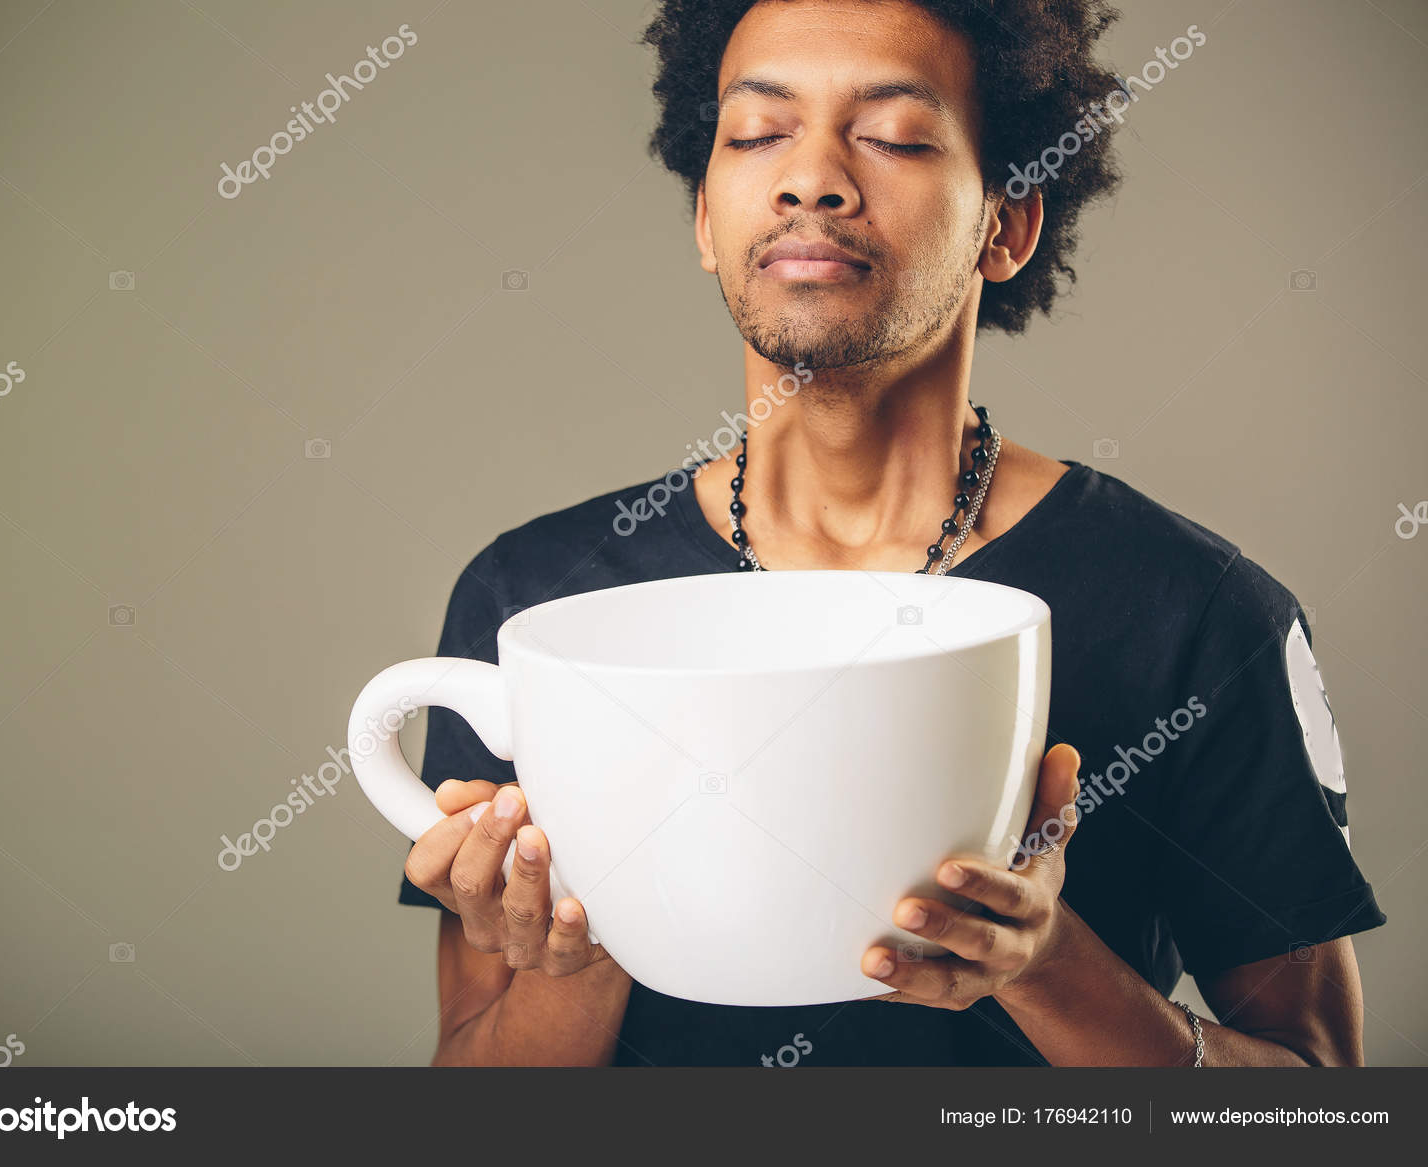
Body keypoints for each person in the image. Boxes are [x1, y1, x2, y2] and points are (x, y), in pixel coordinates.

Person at [394, 0, 1384, 1065]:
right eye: (756, 134)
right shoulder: (541, 600)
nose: (809, 178)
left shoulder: (1197, 610)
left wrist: (1045, 964)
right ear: (702, 218)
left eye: (896, 136)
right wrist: (583, 939)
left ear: (1003, 227)